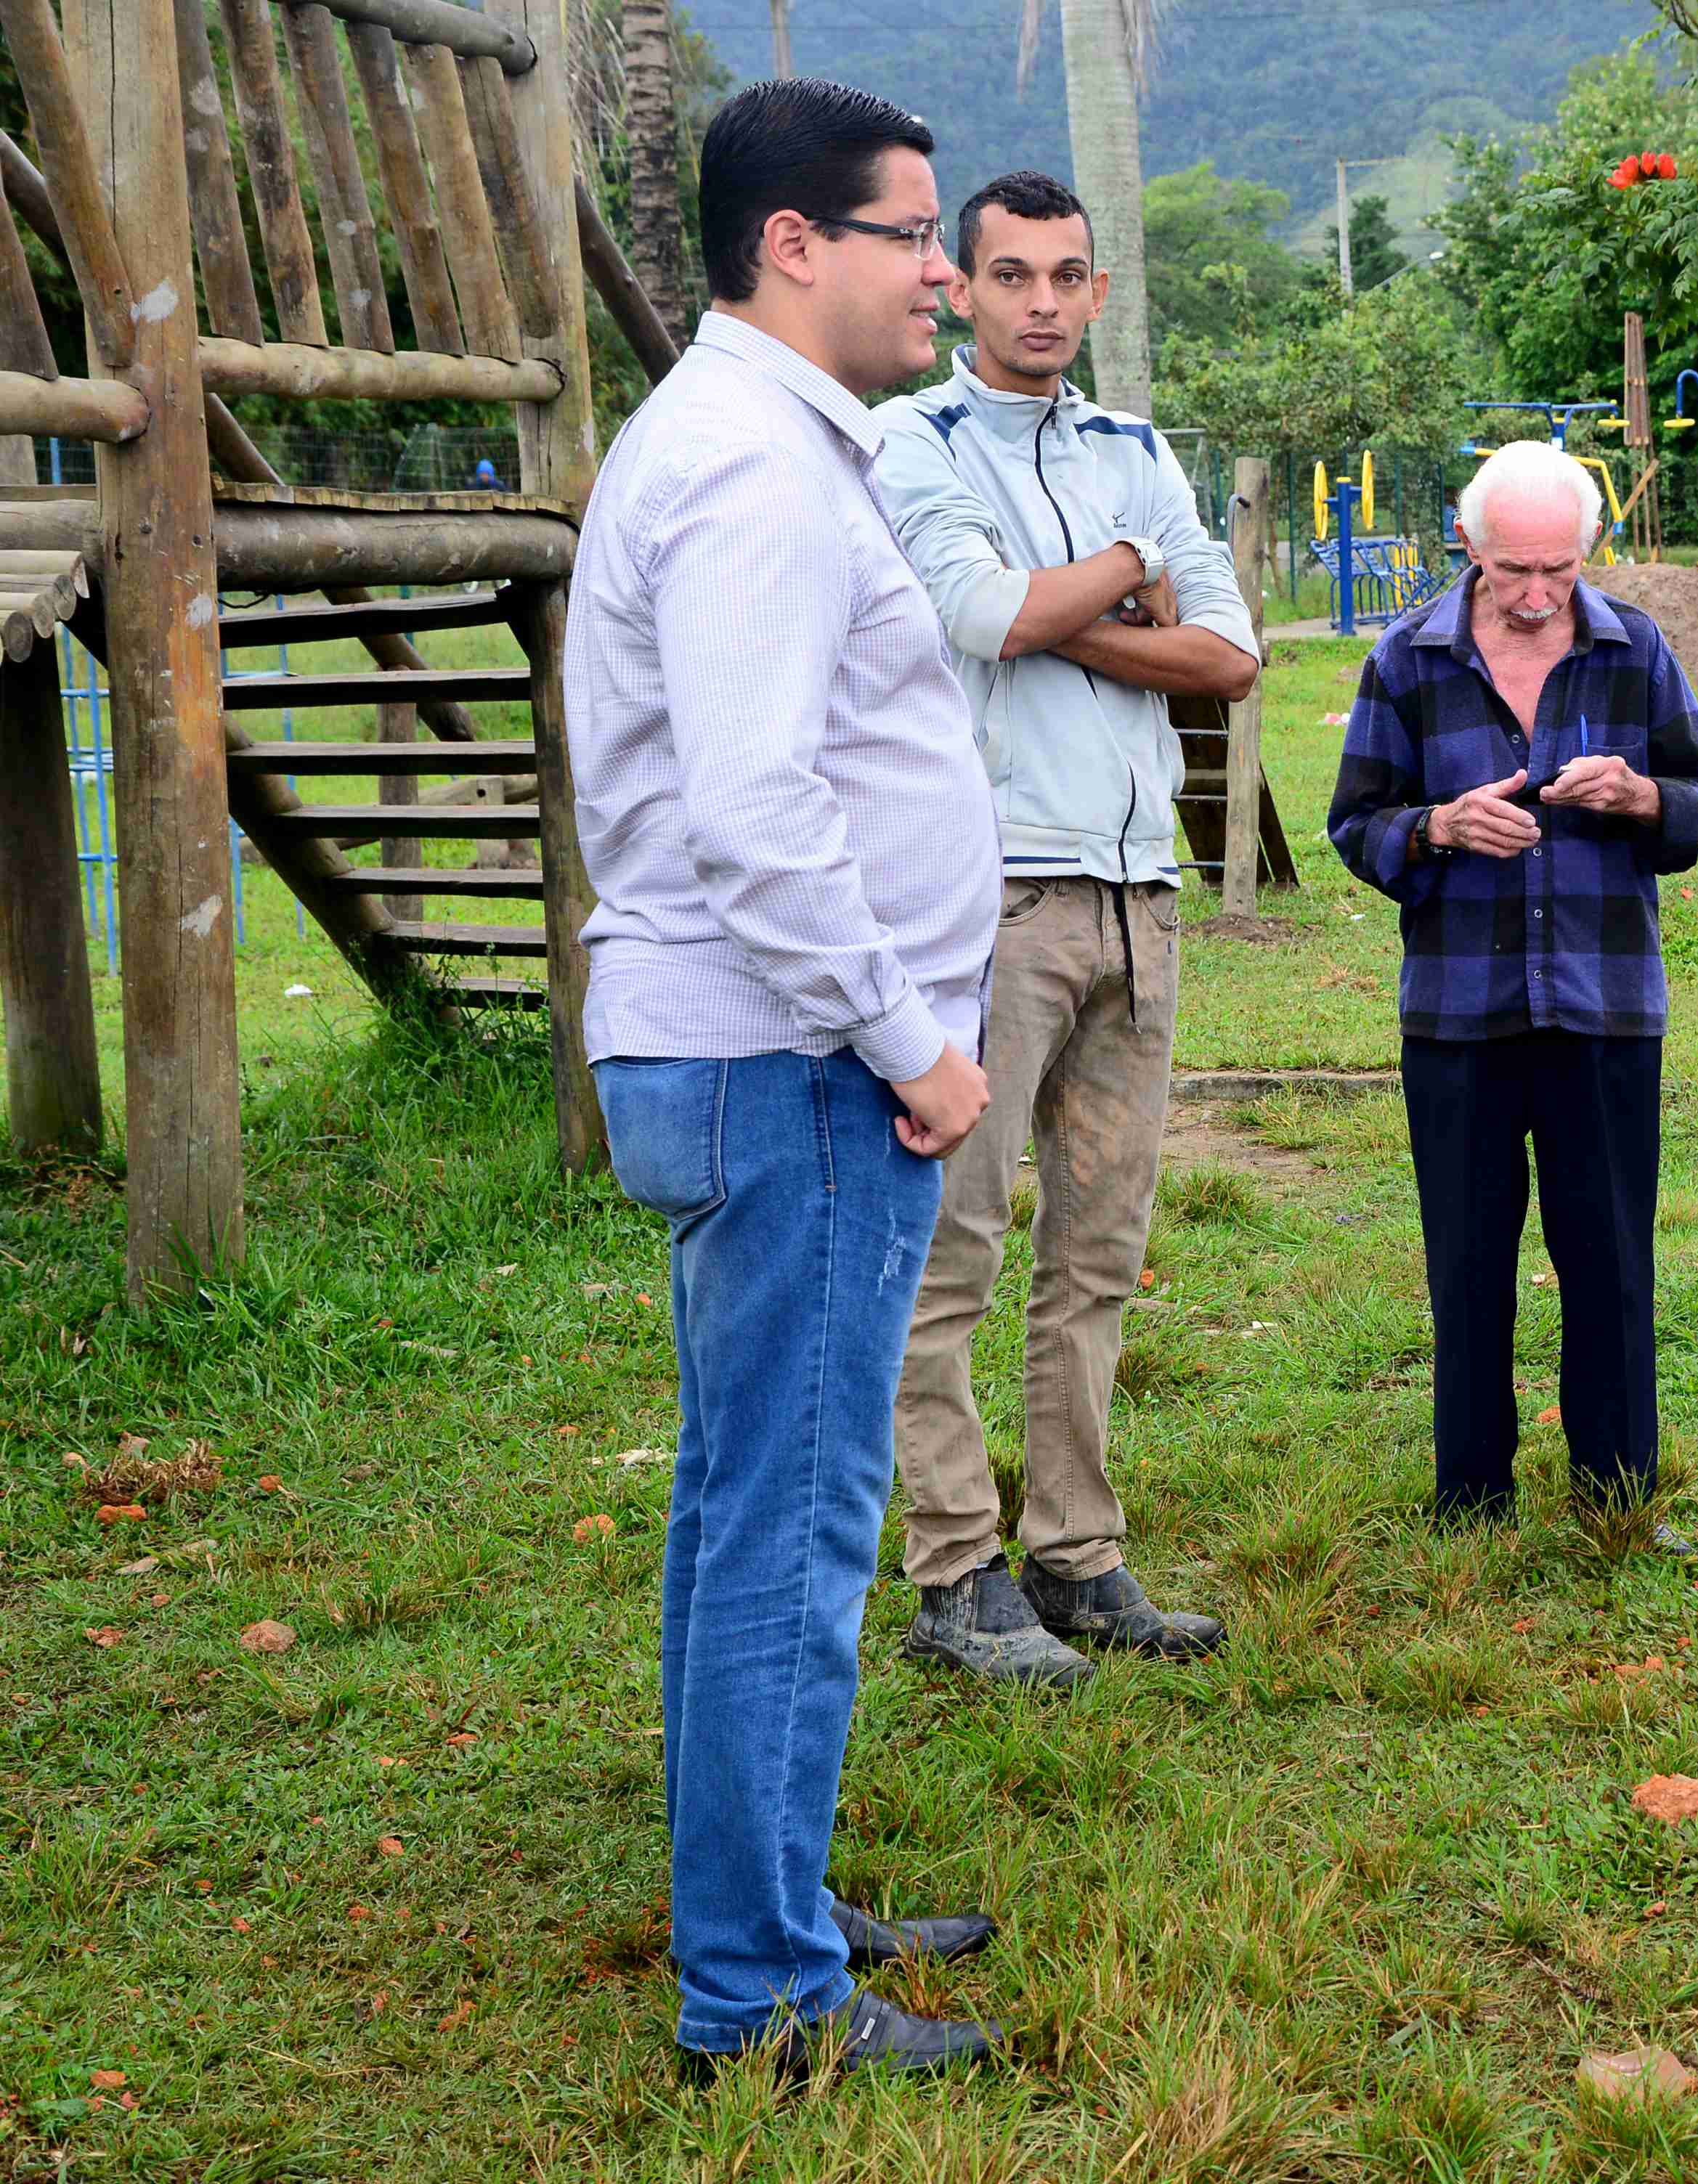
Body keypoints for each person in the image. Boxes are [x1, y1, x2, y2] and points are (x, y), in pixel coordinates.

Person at [569, 81, 1002, 2075]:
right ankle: (761, 2003)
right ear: (791, 248)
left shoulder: (760, 443)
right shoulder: (752, 464)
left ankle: (769, 1900)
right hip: (794, 1063)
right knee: (796, 1526)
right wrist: (910, 1039)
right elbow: (756, 805)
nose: (947, 269)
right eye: (914, 233)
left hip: (761, 1056)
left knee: (750, 1507)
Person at [874, 171, 1260, 1687]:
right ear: (961, 288)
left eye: (1069, 275)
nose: (1043, 300)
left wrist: (1067, 611)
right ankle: (957, 1571)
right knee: (953, 1249)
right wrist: (1126, 583)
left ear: (1097, 292)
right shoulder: (911, 440)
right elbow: (981, 618)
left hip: (1136, 892)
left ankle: (1080, 1556)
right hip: (991, 895)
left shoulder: (1134, 445)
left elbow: (1226, 658)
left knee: (1098, 1250)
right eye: (1012, 273)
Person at [1325, 440, 1698, 1533]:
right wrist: (1438, 826)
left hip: (1604, 1005)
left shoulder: (1632, 647)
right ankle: (1471, 1494)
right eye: (1515, 573)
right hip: (1459, 1013)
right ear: (1469, 547)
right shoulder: (1407, 660)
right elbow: (1354, 827)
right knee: (1466, 1257)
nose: (1539, 596)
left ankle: (1615, 1491)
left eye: (1560, 571)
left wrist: (1645, 796)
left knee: (1609, 1251)